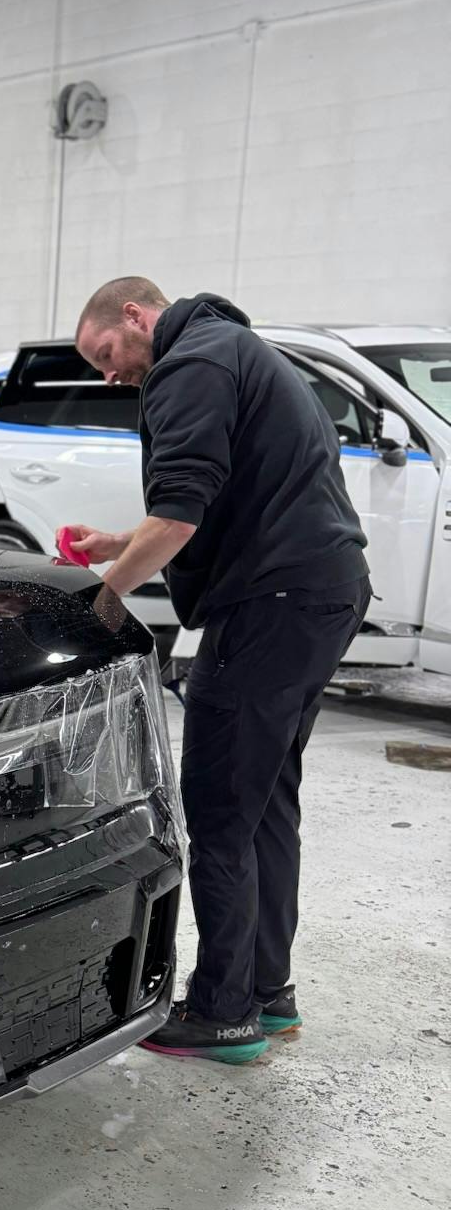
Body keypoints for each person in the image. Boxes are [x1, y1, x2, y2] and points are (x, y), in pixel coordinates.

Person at [65, 278, 370, 1065]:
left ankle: (222, 1012)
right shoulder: (235, 349)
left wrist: (105, 596)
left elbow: (179, 513)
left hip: (268, 608)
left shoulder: (187, 366)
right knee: (267, 805)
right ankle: (268, 995)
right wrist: (112, 544)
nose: (109, 375)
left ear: (136, 316)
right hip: (321, 594)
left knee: (222, 808)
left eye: (105, 355)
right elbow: (222, 493)